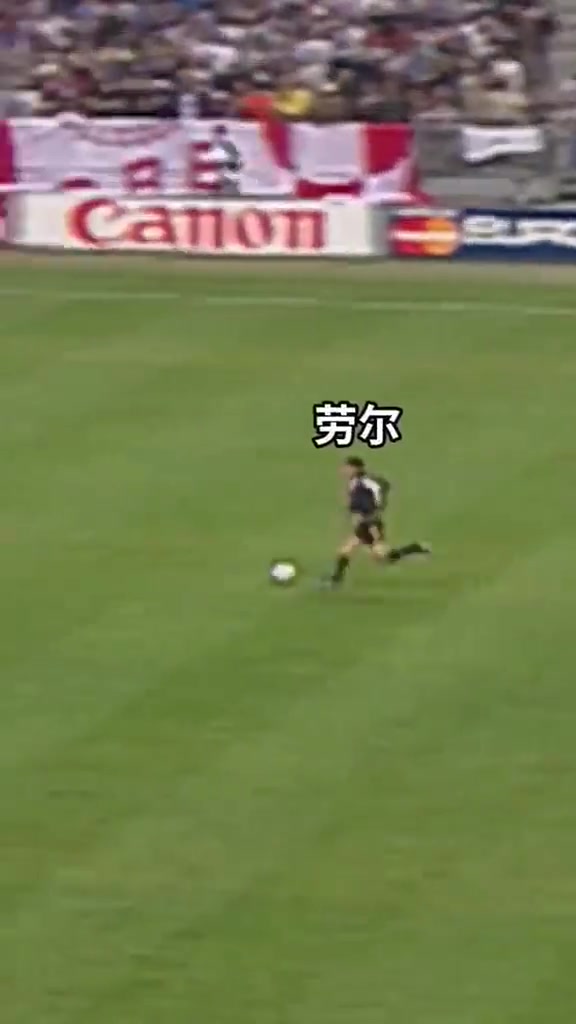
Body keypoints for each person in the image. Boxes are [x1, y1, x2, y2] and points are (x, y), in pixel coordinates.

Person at [323, 456, 430, 588]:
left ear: (355, 468)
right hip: (364, 523)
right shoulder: (354, 482)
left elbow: (382, 487)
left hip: (370, 523)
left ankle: (415, 548)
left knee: (383, 557)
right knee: (345, 551)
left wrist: (376, 509)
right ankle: (336, 580)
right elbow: (356, 502)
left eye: (347, 467)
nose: (343, 470)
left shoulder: (365, 481)